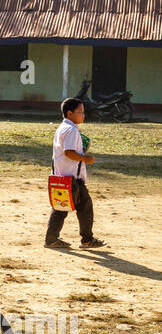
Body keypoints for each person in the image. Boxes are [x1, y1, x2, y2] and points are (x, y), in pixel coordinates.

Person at [45, 98, 105, 250]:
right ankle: (86, 239)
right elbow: (69, 152)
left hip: (61, 177)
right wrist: (86, 158)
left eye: (83, 112)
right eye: (80, 112)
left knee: (62, 208)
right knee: (84, 208)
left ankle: (52, 239)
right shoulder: (71, 130)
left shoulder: (64, 128)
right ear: (69, 113)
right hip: (72, 179)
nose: (83, 115)